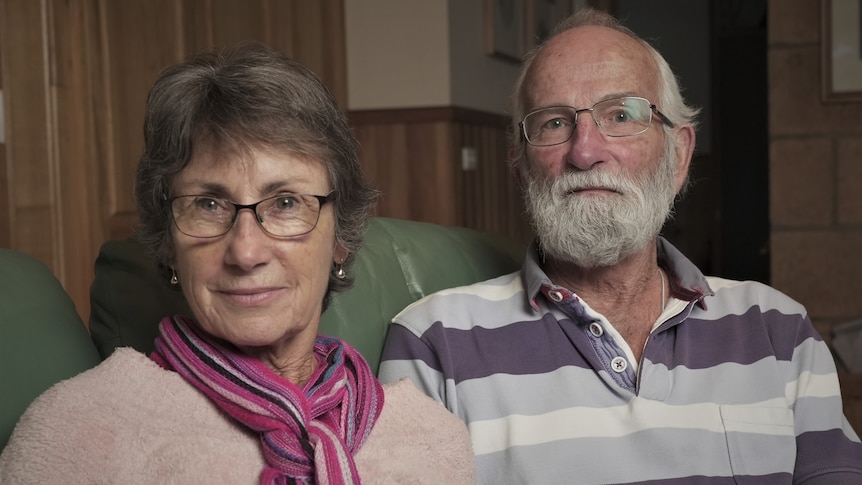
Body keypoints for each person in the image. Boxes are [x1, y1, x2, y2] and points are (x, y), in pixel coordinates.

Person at [378, 8, 862, 484]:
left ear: (678, 156)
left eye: (622, 114)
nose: (585, 151)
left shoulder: (780, 331)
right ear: (521, 168)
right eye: (553, 123)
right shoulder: (432, 343)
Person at [0, 43, 474, 484]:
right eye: (208, 204)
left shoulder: (431, 440)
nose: (245, 252)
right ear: (167, 242)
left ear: (341, 239)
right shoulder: (79, 432)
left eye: (286, 203)